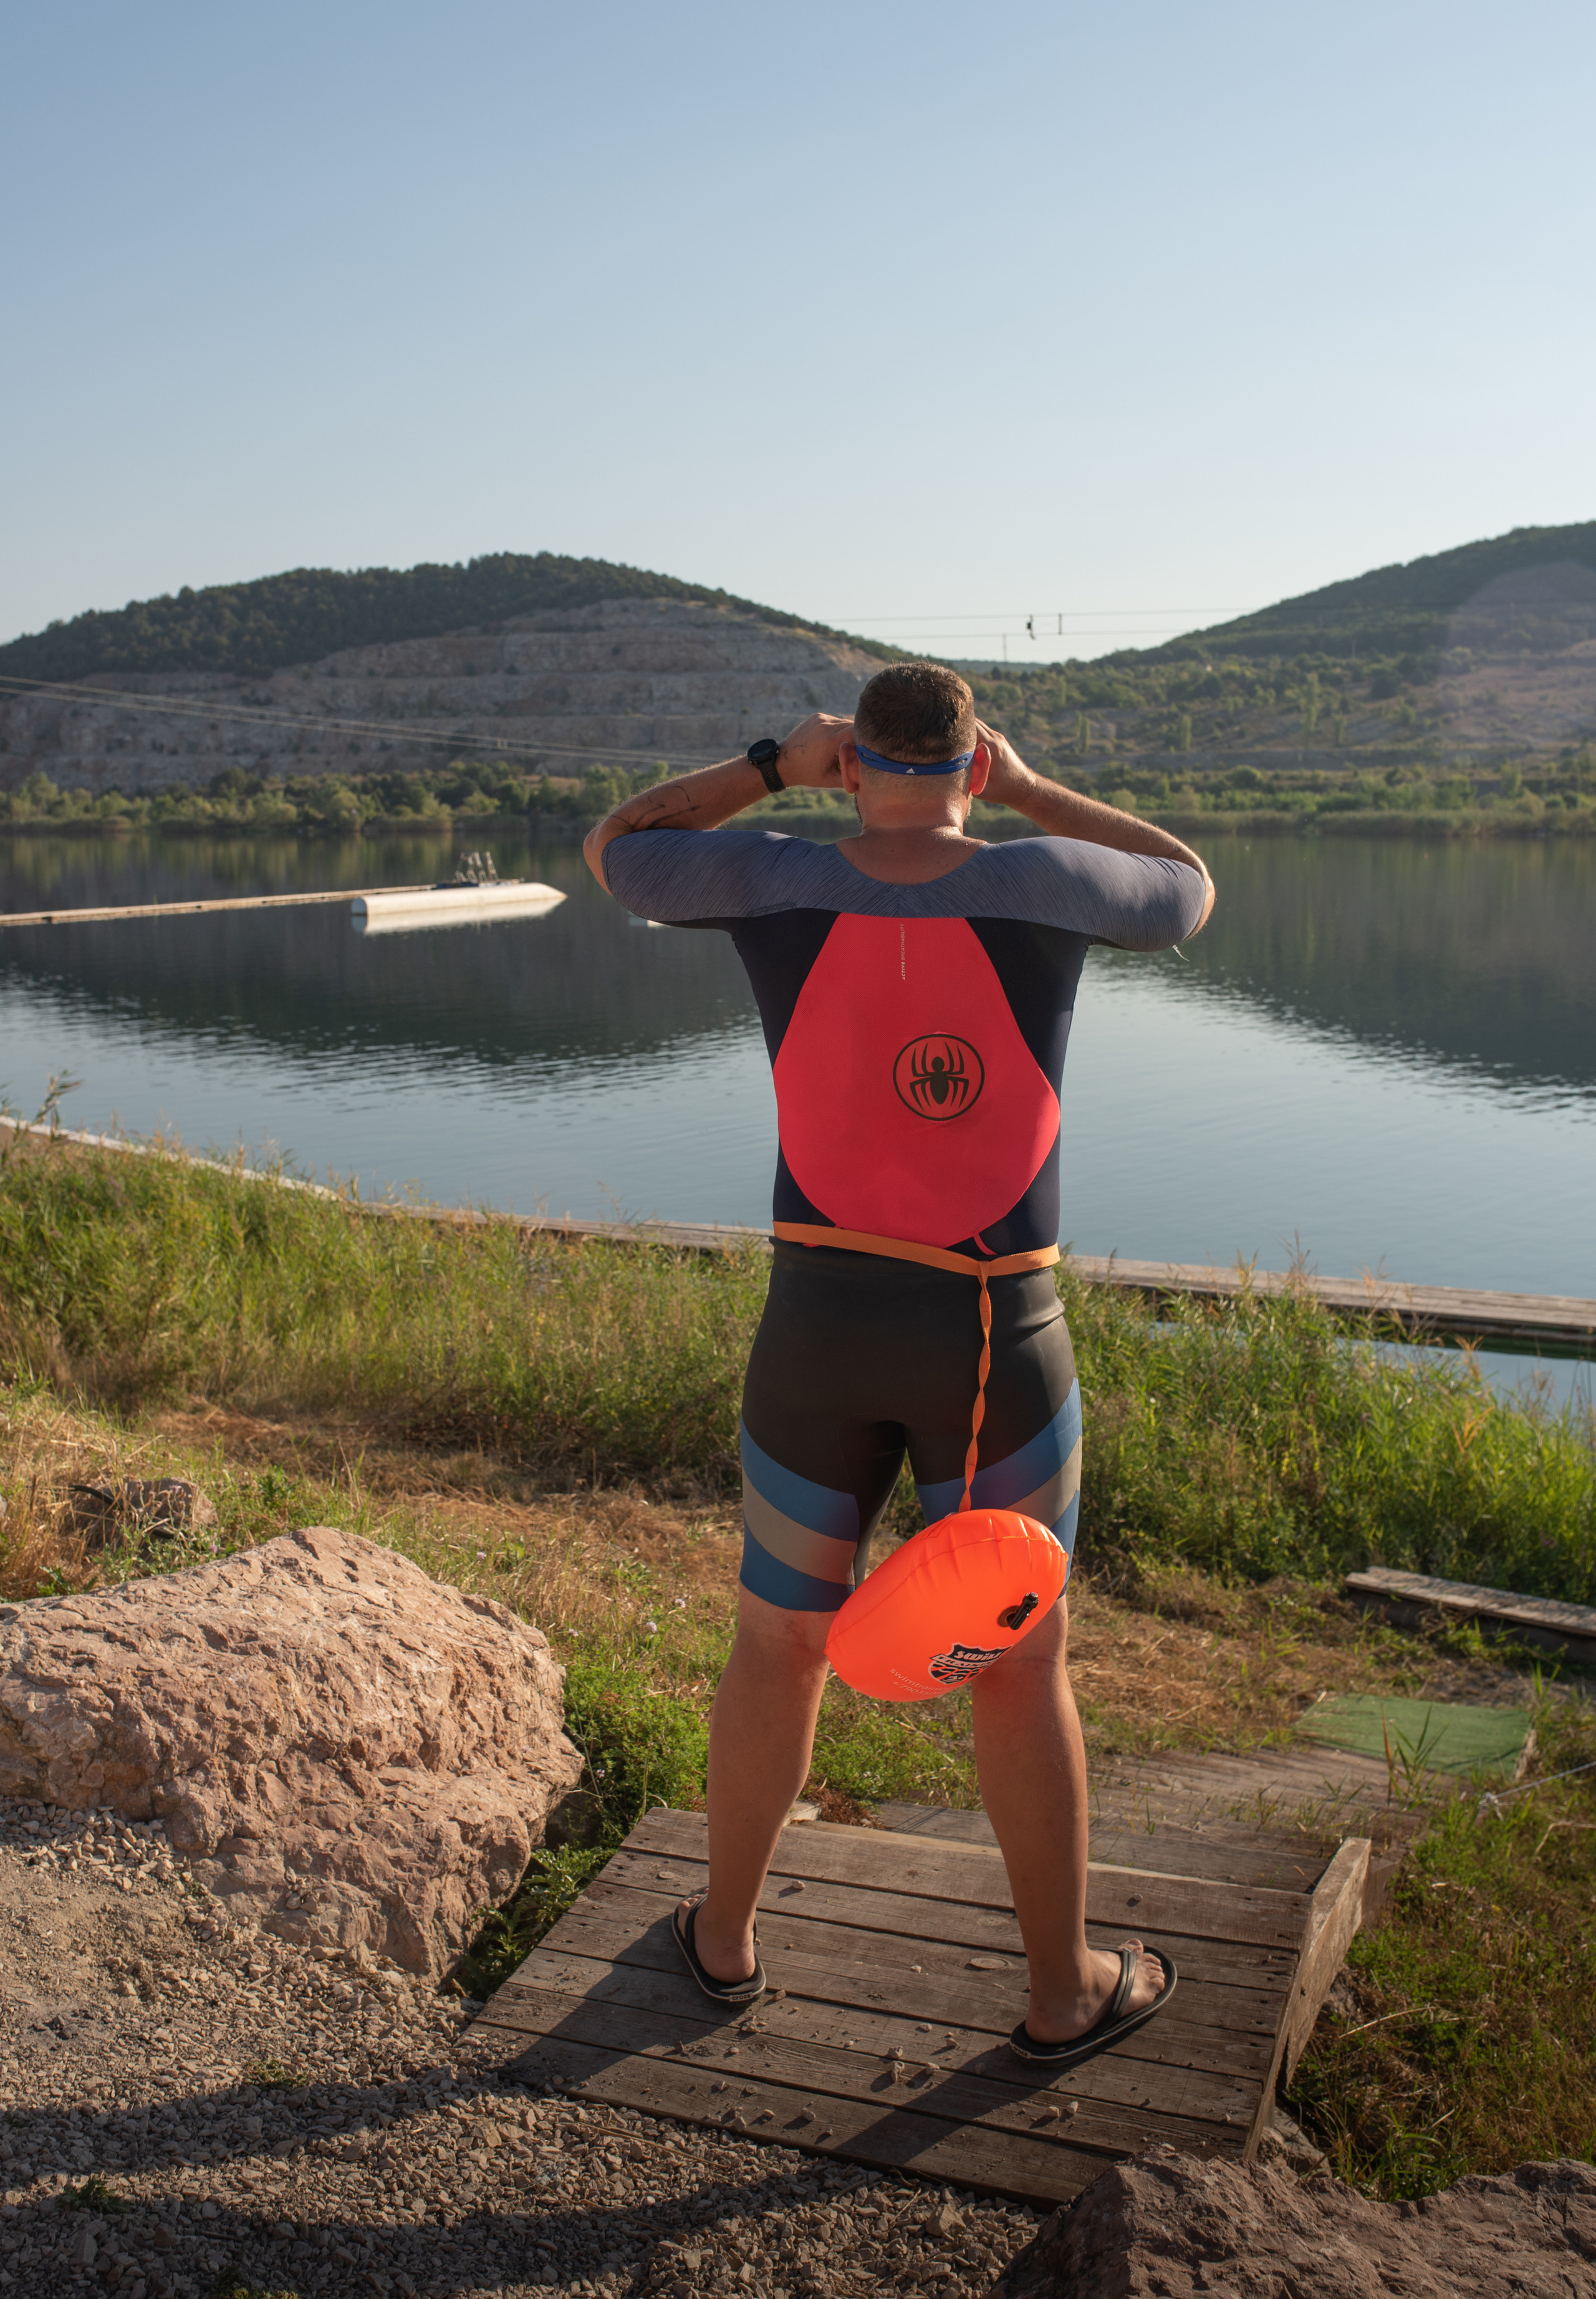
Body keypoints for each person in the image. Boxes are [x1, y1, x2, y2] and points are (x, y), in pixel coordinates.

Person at [584, 662, 1213, 2066]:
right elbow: (1185, 881)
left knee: (774, 1638)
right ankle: (1061, 1993)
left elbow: (617, 848)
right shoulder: (1042, 877)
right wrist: (1037, 789)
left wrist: (765, 761)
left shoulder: (775, 879)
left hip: (813, 1319)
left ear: (848, 762)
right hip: (989, 1328)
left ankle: (725, 1937)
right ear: (973, 765)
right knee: (1018, 1661)